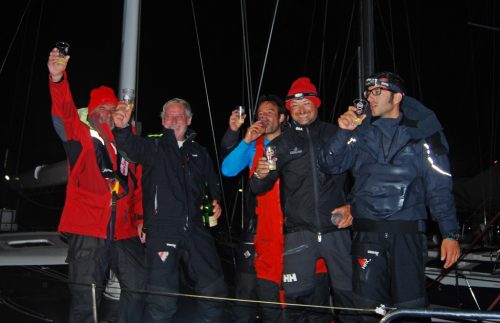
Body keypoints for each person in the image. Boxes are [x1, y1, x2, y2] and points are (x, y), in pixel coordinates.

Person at [319, 71, 461, 322]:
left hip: (407, 234)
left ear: (397, 97)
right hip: (367, 234)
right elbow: (330, 164)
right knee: (366, 311)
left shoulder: (424, 134)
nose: (369, 98)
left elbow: (438, 186)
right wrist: (342, 132)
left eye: (376, 92)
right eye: (367, 92)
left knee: (411, 310)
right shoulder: (358, 132)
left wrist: (449, 233)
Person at [47, 48, 146, 323]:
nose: (107, 112)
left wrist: (140, 219)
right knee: (85, 300)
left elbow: (138, 188)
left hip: (124, 231)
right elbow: (64, 114)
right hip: (88, 229)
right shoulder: (81, 136)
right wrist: (57, 80)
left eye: (111, 108)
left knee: (138, 288)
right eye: (101, 108)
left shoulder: (129, 144)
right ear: (91, 113)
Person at [112, 97, 228, 322]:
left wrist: (216, 202)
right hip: (162, 230)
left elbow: (213, 185)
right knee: (161, 300)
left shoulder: (200, 153)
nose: (174, 120)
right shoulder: (153, 146)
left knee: (213, 289)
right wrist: (122, 128)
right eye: (168, 116)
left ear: (189, 119)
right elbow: (130, 148)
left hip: (196, 228)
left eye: (179, 116)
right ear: (162, 121)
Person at [250, 77, 355, 323]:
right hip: (298, 233)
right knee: (296, 304)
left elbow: (360, 174)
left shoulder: (336, 134)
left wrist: (352, 205)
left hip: (337, 231)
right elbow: (258, 186)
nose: (301, 110)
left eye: (306, 103)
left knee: (349, 301)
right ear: (289, 111)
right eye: (295, 106)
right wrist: (259, 173)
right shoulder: (279, 145)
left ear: (316, 104)